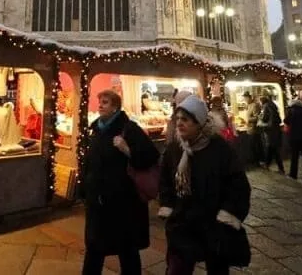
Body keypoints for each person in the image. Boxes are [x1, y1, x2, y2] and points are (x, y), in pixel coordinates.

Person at [159, 96, 251, 275]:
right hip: (182, 223)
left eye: (185, 119)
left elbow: (238, 184)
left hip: (212, 225)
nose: (179, 123)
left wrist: (227, 214)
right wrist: (168, 206)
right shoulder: (175, 148)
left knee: (217, 268)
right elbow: (165, 180)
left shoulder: (220, 149)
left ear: (198, 122)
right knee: (177, 268)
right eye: (177, 119)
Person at [81, 90, 160, 275]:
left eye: (105, 102)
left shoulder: (129, 129)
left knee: (127, 250)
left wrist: (128, 150)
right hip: (98, 203)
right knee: (94, 249)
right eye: (99, 102)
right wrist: (84, 190)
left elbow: (151, 157)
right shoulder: (96, 128)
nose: (100, 105)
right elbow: (89, 163)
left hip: (124, 204)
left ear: (115, 106)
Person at [258, 95, 284, 173]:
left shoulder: (266, 106)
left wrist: (260, 117)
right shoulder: (273, 105)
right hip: (275, 130)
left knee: (273, 148)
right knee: (272, 148)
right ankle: (269, 165)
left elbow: (264, 118)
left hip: (270, 131)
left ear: (262, 101)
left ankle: (280, 168)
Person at [245, 92, 263, 166]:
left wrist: (248, 120)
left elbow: (257, 117)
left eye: (246, 98)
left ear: (250, 97)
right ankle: (255, 161)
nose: (245, 99)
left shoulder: (254, 105)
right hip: (249, 129)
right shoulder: (248, 106)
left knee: (256, 146)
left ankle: (258, 161)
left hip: (254, 130)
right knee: (252, 147)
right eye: (244, 98)